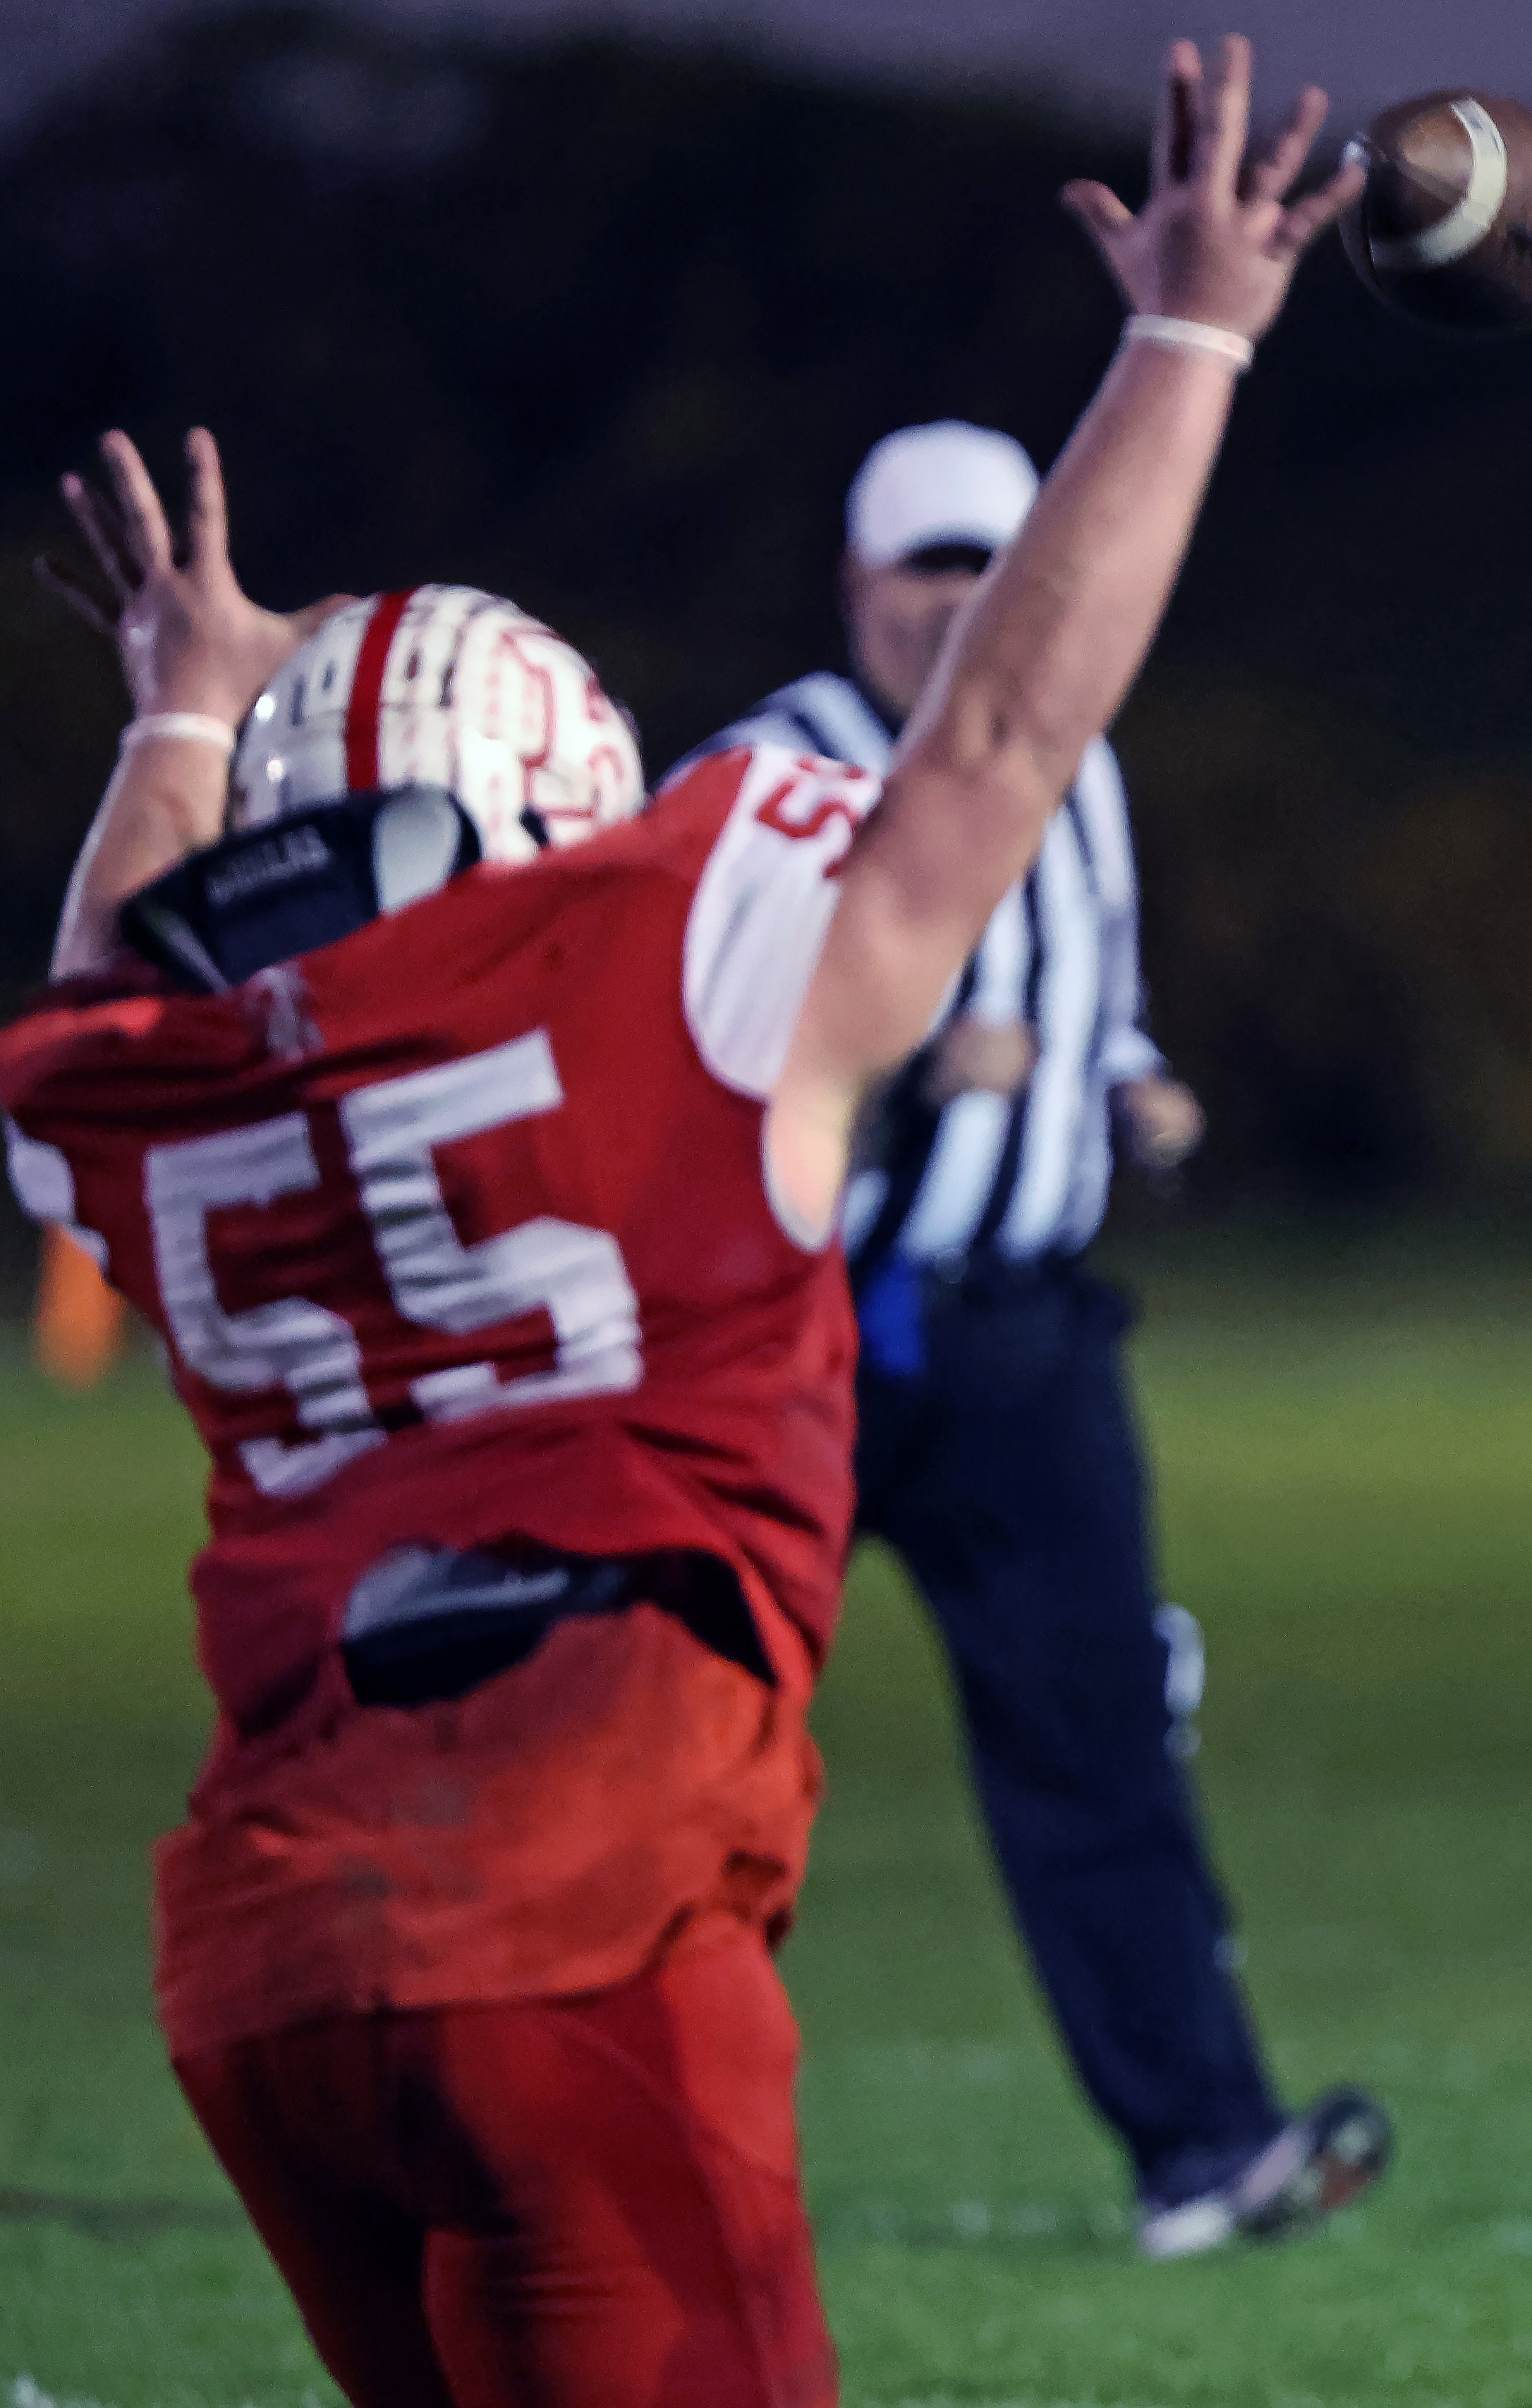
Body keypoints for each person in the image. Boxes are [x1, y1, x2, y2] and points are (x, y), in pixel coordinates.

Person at [0, 42, 1361, 2404]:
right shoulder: (675, 964)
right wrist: (1189, 338)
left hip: (267, 1970)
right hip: (572, 1915)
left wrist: (174, 719)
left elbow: (99, 1005)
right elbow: (1010, 741)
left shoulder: (174, 1086)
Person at [667, 421, 1386, 2261]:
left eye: (996, 565)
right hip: (788, 1337)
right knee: (669, 1752)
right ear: (859, 588)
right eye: (932, 569)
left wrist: (1133, 1091)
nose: (965, 603)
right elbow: (663, 1044)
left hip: (1020, 1346)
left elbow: (1101, 999)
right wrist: (895, 1069)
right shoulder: (760, 772)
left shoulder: (1084, 765)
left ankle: (1203, 2152)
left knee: (1103, 1742)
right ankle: (594, 2146)